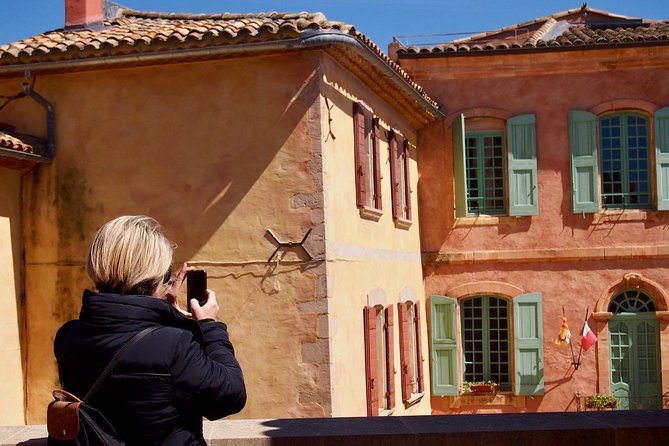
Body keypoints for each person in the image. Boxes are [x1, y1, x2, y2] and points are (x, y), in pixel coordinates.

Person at [53, 215, 246, 445]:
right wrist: (209, 326)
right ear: (156, 277)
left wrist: (167, 312)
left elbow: (137, 349)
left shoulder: (68, 336)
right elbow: (231, 396)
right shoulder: (176, 345)